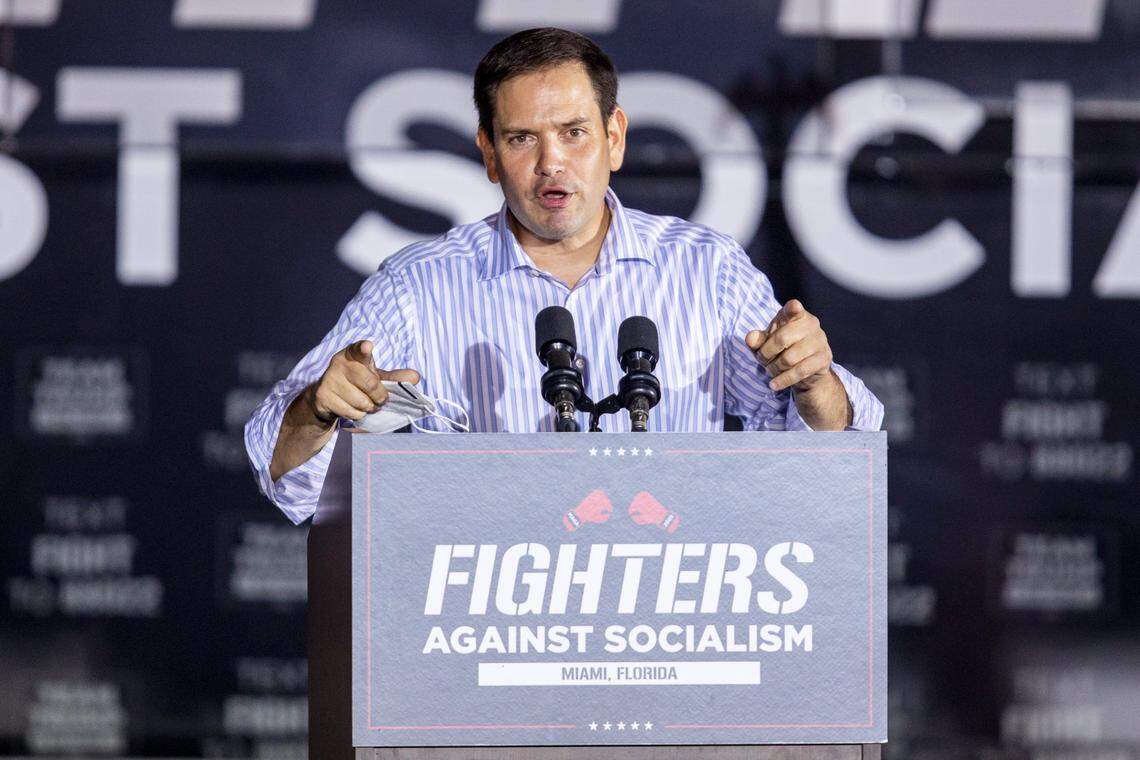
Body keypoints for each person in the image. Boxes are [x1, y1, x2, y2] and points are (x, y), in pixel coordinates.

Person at [245, 27, 884, 525]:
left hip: (675, 642)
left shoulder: (705, 270)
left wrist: (813, 381)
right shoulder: (417, 288)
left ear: (615, 137)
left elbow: (835, 457)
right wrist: (320, 410)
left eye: (575, 133)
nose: (552, 163)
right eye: (522, 139)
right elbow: (282, 474)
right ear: (489, 156)